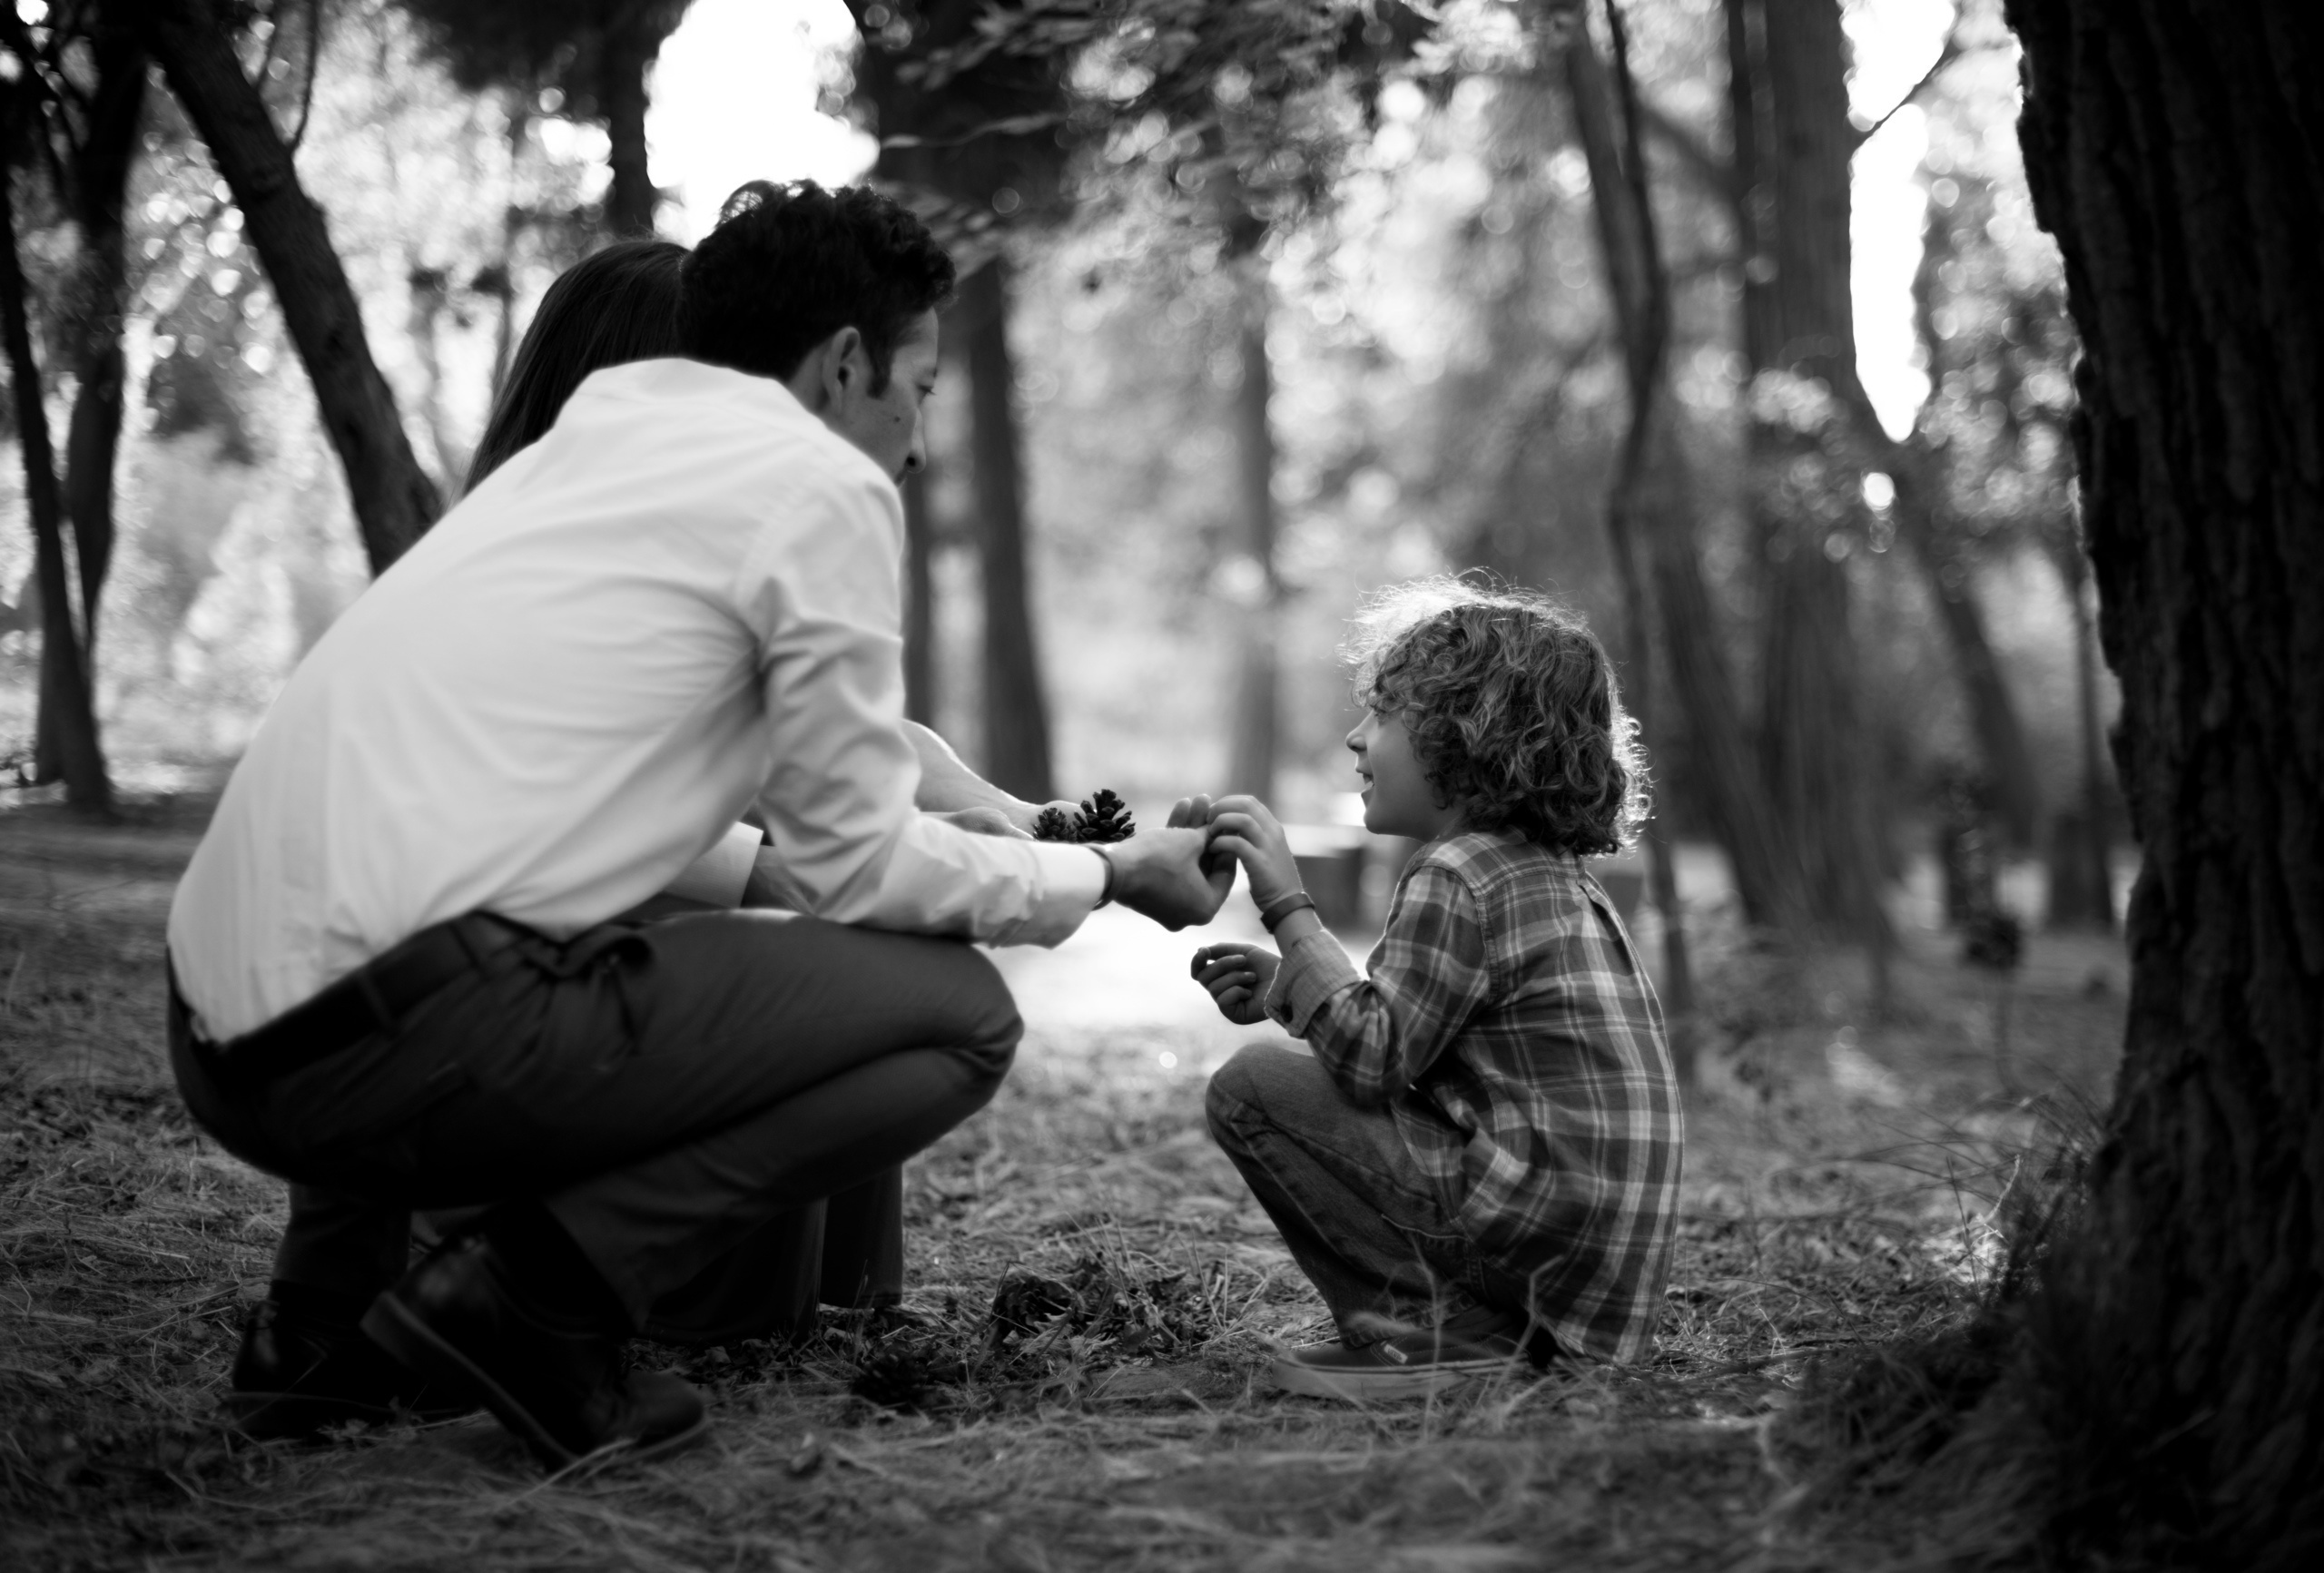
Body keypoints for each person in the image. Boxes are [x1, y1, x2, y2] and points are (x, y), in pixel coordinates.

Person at [166, 180, 1231, 1469]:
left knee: (421, 887)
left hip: (220, 1038)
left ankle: (320, 1338)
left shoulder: (574, 462)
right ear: (845, 365)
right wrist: (1107, 874)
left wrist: (1018, 826)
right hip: (388, 1052)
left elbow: (812, 768)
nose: (917, 441)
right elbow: (856, 866)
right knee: (957, 1014)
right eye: (921, 389)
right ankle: (535, 1299)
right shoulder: (809, 491)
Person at [1188, 579, 1684, 1401]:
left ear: (1466, 739)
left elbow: (1373, 1061)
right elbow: (1409, 1040)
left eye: (1383, 713)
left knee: (1251, 1088)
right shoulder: (1541, 871)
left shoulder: (1461, 874)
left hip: (1532, 1241)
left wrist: (1285, 902)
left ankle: (1443, 1333)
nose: (1355, 737)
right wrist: (1290, 986)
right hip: (1583, 1267)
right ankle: (1467, 1326)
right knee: (1276, 1075)